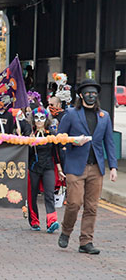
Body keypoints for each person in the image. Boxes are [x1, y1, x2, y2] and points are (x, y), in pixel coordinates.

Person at [57, 79, 118, 255]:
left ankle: (86, 241)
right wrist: (73, 142)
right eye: (88, 93)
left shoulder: (104, 116)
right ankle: (66, 231)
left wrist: (113, 167)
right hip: (75, 166)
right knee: (75, 203)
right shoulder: (71, 114)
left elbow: (109, 143)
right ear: (81, 95)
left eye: (94, 93)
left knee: (91, 207)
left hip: (96, 168)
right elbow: (60, 138)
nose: (91, 96)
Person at [27, 107, 63, 233]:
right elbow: (25, 154)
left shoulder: (51, 134)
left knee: (49, 195)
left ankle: (51, 221)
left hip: (48, 167)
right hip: (33, 168)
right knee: (32, 196)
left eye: (42, 118)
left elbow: (56, 153)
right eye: (36, 118)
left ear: (46, 119)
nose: (39, 121)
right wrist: (29, 143)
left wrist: (59, 169)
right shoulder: (30, 133)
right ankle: (34, 221)